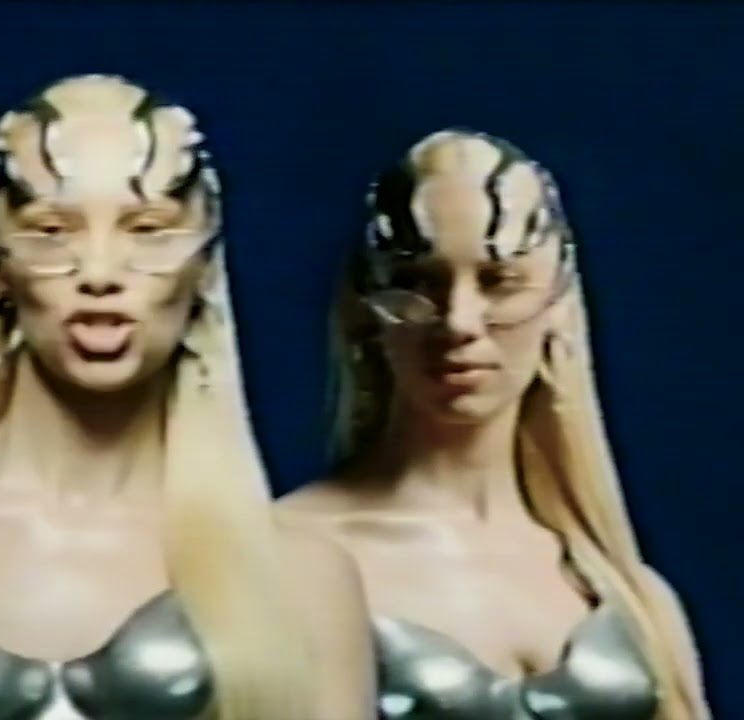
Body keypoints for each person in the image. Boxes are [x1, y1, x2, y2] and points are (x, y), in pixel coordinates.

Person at [0, 74, 374, 720]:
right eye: (51, 230)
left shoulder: (303, 578)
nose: (100, 274)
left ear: (203, 263)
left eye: (149, 229)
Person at [279, 128, 710, 719]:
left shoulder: (627, 592)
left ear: (558, 301)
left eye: (499, 281)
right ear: (366, 306)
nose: (460, 322)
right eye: (418, 282)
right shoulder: (285, 555)